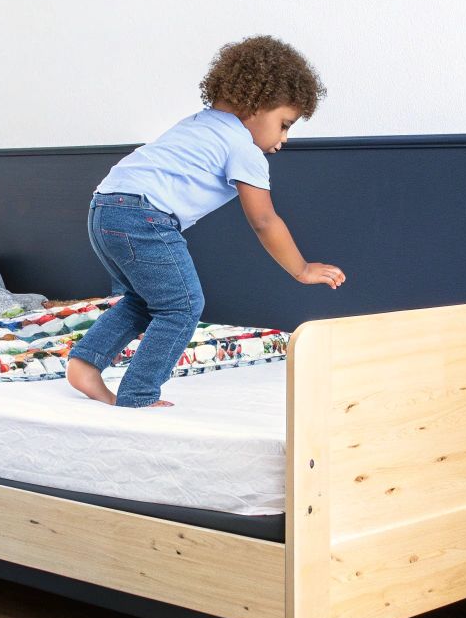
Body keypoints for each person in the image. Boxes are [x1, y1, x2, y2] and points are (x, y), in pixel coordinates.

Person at [66, 35, 346, 408]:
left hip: (104, 208)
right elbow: (264, 219)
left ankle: (85, 365)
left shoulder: (197, 124)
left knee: (145, 299)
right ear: (257, 104)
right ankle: (139, 395)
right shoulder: (243, 149)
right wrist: (302, 269)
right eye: (284, 124)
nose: (283, 139)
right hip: (144, 216)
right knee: (183, 306)